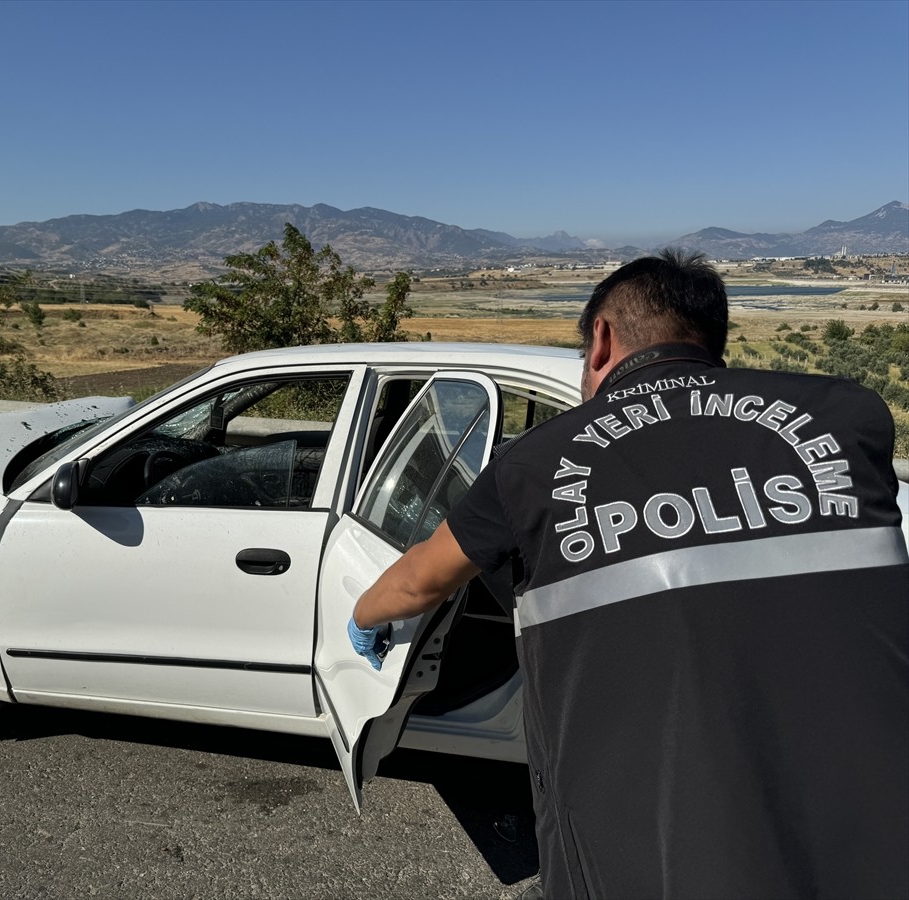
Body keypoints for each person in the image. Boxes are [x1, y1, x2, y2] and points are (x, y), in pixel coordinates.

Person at [349, 249, 908, 899]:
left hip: (656, 838)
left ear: (602, 339)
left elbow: (418, 581)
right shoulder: (847, 415)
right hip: (872, 807)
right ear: (711, 338)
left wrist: (360, 616)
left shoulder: (533, 465)